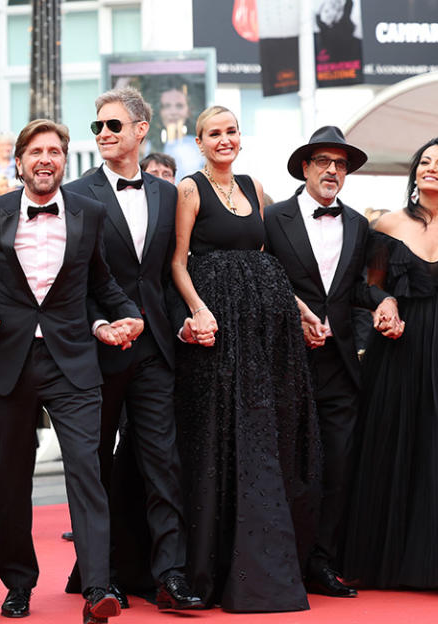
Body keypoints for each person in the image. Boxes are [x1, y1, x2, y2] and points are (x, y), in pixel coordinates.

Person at [0, 118, 143, 624]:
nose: (46, 159)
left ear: (65, 160)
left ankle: (96, 588)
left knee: (88, 473)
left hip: (73, 363)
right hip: (9, 362)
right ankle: (18, 585)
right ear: (19, 161)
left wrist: (129, 315)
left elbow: (101, 282)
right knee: (13, 478)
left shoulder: (89, 213)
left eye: (55, 152)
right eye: (36, 151)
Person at [171, 105, 322, 612]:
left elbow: (267, 258)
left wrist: (301, 310)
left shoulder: (255, 188)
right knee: (222, 434)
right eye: (214, 133)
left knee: (262, 432)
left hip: (264, 328)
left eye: (231, 131)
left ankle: (268, 564)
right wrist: (199, 310)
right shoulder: (190, 189)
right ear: (199, 142)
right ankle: (210, 567)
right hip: (218, 327)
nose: (224, 139)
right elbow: (177, 261)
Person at [62, 87, 201, 610]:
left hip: (156, 353)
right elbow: (72, 282)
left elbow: (171, 274)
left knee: (163, 463)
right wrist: (101, 323)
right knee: (94, 466)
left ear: (141, 130)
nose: (102, 134)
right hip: (95, 354)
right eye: (97, 126)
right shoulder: (77, 195)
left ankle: (170, 575)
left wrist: (186, 322)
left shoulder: (168, 194)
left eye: (113, 125)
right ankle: (101, 574)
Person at [263, 126, 402, 598]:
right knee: (289, 466)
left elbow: (355, 288)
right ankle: (286, 561)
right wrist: (293, 319)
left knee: (339, 467)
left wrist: (382, 300)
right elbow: (263, 285)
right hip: (286, 361)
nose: (332, 170)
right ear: (305, 167)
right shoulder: (273, 218)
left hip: (341, 367)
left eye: (340, 164)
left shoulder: (359, 224)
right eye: (323, 161)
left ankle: (323, 561)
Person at [341, 137, 438, 590]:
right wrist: (385, 307)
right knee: (404, 445)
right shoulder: (387, 225)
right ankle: (404, 559)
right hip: (401, 349)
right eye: (424, 161)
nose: (431, 168)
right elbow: (371, 288)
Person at [157, 88, 203, 182]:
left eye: (179, 106)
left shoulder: (199, 146)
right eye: (166, 106)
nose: (173, 112)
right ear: (159, 112)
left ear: (188, 111)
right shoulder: (146, 146)